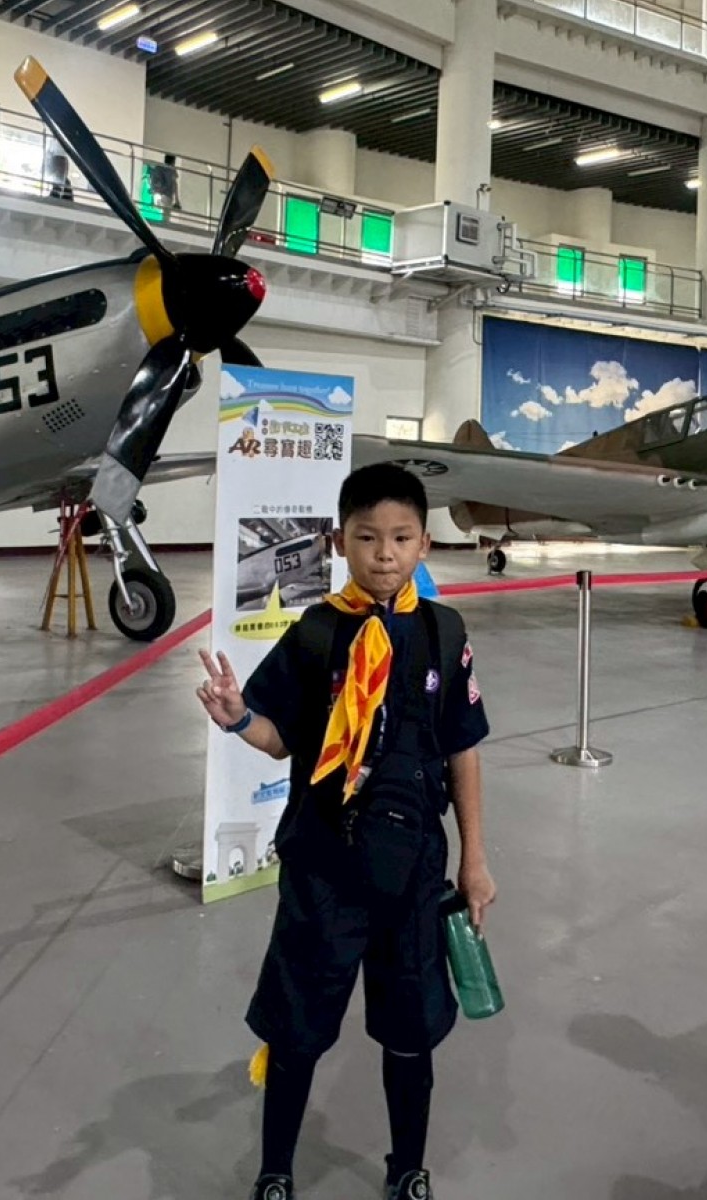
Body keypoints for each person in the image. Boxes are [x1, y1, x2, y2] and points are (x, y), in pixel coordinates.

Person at [196, 463, 495, 1200]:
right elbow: (280, 739)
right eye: (366, 537)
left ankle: (408, 1167)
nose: (384, 554)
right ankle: (275, 1170)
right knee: (297, 1026)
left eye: (400, 538)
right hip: (324, 864)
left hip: (415, 868)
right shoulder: (317, 632)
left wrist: (476, 860)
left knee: (410, 1027)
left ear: (424, 543)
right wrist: (239, 717)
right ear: (339, 541)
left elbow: (463, 748)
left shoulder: (443, 632)